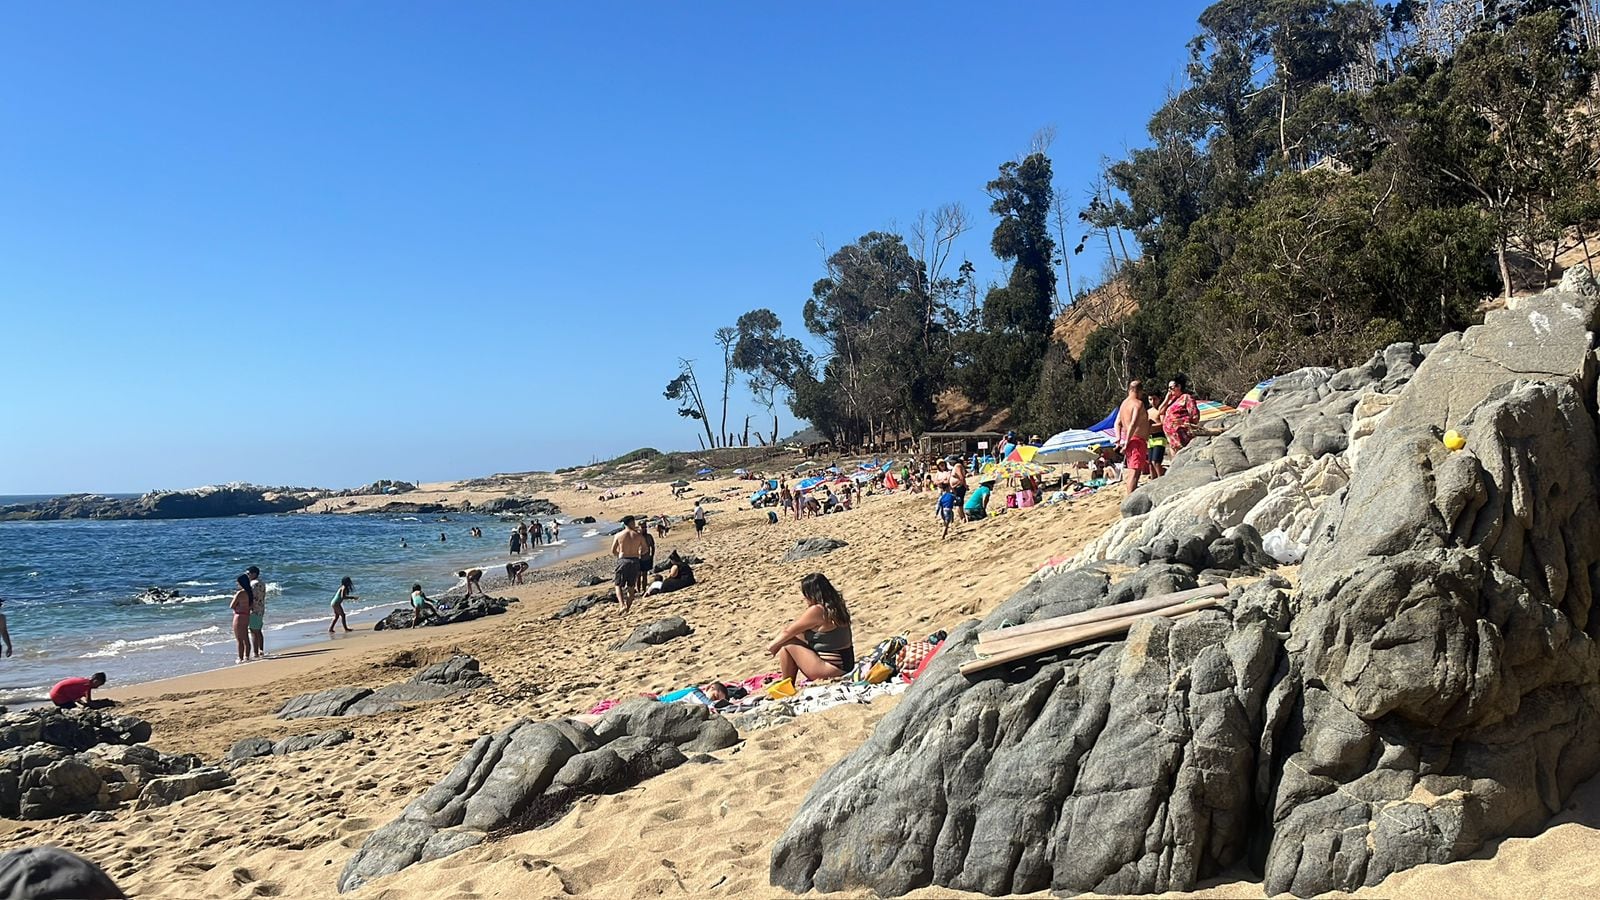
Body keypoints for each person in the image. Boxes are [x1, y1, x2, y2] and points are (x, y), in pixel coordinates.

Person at [766, 573, 855, 682]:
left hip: (832, 669)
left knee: (787, 644)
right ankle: (786, 683)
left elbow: (787, 631)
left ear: (810, 594)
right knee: (794, 637)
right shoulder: (837, 606)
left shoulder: (818, 610)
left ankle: (786, 684)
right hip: (847, 664)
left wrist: (772, 646)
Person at [1115, 379, 1154, 494]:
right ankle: (1130, 497)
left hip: (1131, 440)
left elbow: (1117, 423)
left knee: (1133, 470)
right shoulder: (1138, 403)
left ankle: (1130, 495)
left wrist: (1118, 439)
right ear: (1140, 391)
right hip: (1136, 441)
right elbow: (1133, 423)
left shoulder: (1123, 404)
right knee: (1135, 472)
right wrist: (1126, 442)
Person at [610, 515, 649, 614]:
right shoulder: (638, 535)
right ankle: (627, 608)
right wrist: (639, 553)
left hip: (624, 559)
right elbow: (645, 549)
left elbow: (613, 550)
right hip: (635, 560)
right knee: (631, 587)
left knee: (618, 584)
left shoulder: (619, 535)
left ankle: (622, 605)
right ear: (631, 523)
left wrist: (620, 554)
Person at [1159, 373, 1200, 453]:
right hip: (1172, 440)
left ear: (1179, 387)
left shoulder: (1186, 397)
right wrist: (1166, 399)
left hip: (1183, 437)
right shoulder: (1171, 400)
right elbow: (1160, 411)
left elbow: (1195, 416)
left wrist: (1184, 422)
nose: (1169, 390)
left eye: (1171, 388)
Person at [245, 565, 267, 660]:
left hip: (254, 609)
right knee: (259, 630)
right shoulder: (262, 583)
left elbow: (251, 597)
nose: (247, 575)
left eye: (248, 573)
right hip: (261, 608)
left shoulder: (253, 584)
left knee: (253, 631)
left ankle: (255, 652)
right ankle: (261, 649)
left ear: (254, 574)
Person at [230, 574, 253, 663]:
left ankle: (240, 658)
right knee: (246, 637)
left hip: (239, 616)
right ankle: (247, 656)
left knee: (239, 639)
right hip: (246, 615)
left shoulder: (240, 593)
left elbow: (232, 605)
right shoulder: (250, 592)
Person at [1145, 395, 1167, 478]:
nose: (1153, 401)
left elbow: (1163, 423)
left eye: (1155, 399)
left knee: (1156, 461)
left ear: (1159, 399)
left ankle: (1161, 478)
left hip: (1160, 437)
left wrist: (1151, 426)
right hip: (1150, 438)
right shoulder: (1148, 411)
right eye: (1150, 399)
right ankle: (1153, 479)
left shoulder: (1161, 410)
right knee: (1150, 463)